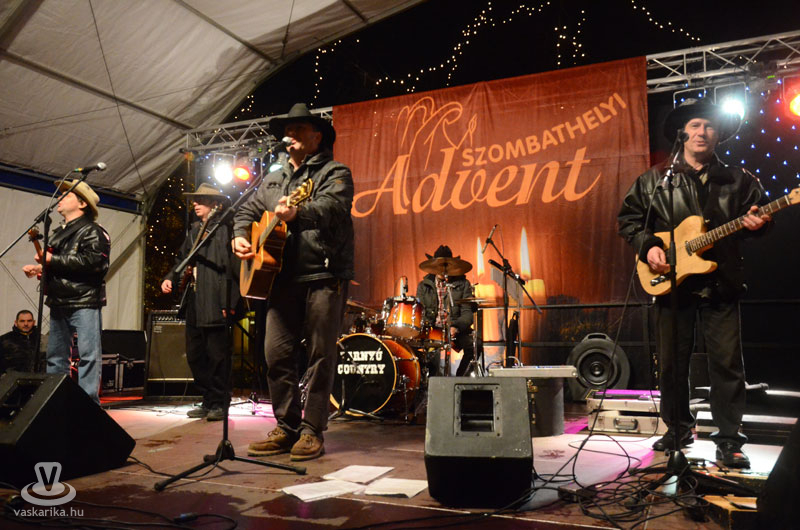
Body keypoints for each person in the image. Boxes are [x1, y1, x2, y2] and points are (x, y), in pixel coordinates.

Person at [617, 99, 772, 468]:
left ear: (718, 135)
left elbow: (759, 218)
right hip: (673, 285)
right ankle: (677, 429)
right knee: (671, 364)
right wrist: (649, 247)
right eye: (696, 125)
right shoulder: (655, 180)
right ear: (682, 133)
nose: (703, 132)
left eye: (710, 126)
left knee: (727, 365)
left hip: (722, 283)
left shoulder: (739, 179)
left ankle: (730, 440)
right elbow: (629, 221)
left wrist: (759, 224)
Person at [232, 103, 354, 461]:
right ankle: (286, 427)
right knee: (276, 355)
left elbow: (334, 209)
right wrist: (240, 235)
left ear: (317, 136)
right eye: (288, 129)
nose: (290, 134)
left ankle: (312, 430)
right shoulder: (274, 177)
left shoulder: (335, 172)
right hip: (281, 277)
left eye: (299, 128)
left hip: (323, 274)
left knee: (320, 355)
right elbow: (246, 210)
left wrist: (299, 212)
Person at [23, 180, 110, 405]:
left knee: (88, 356)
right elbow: (62, 263)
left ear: (82, 203)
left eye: (67, 194)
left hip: (84, 301)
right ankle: (57, 403)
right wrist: (40, 269)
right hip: (59, 300)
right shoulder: (58, 232)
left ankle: (88, 406)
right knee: (55, 357)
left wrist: (52, 260)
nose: (60, 198)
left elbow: (94, 263)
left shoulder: (93, 231)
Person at [161, 184, 240, 421]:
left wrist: (230, 301)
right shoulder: (195, 230)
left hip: (217, 299)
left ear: (215, 204)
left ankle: (220, 402)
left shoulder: (226, 229)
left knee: (217, 355)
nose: (195, 204)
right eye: (195, 201)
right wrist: (170, 277)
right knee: (195, 354)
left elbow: (235, 268)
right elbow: (181, 258)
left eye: (201, 200)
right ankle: (207, 399)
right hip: (195, 298)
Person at [416, 245, 475, 376]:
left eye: (446, 266)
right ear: (433, 266)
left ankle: (459, 378)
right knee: (414, 347)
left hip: (455, 328)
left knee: (475, 345)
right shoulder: (423, 286)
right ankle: (428, 380)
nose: (442, 270)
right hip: (432, 329)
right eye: (439, 266)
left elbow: (467, 313)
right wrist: (427, 326)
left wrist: (456, 327)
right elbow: (420, 312)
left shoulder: (463, 284)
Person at [0, 310, 39, 376]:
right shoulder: (4, 340)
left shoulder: (42, 339)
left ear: (34, 322)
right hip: (12, 380)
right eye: (22, 321)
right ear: (16, 323)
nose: (26, 324)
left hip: (41, 380)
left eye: (29, 321)